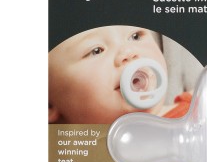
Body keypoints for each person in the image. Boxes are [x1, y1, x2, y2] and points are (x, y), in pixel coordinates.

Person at [49, 25, 191, 123]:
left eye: (135, 36)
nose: (128, 52)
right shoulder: (73, 153)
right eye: (96, 51)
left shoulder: (196, 110)